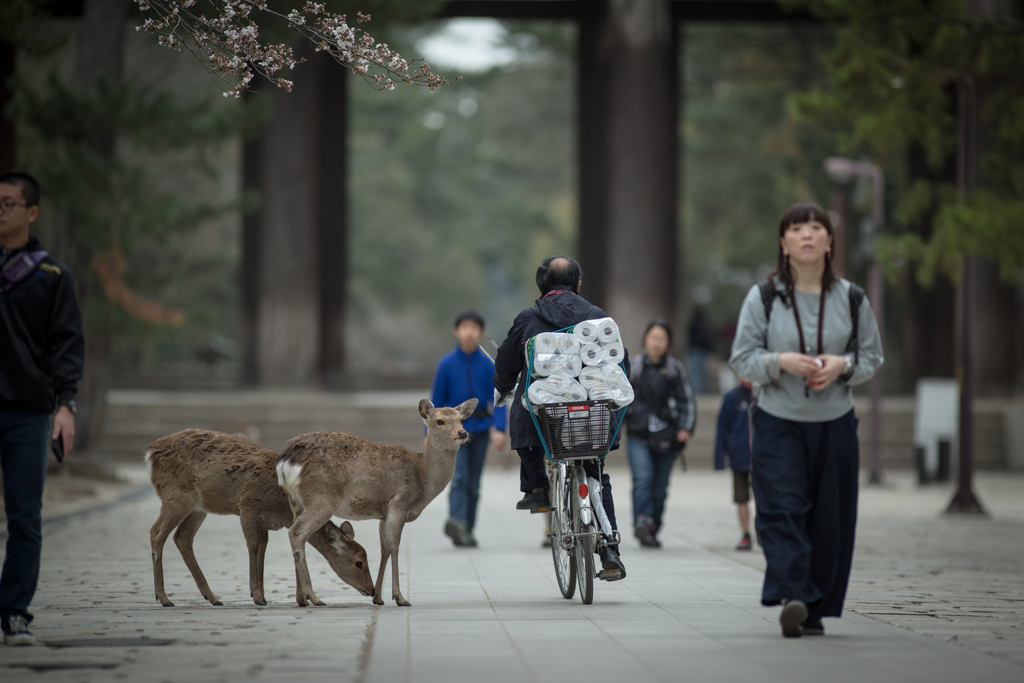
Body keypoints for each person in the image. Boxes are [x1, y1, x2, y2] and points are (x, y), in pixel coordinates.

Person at [729, 202, 883, 638]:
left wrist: (842, 366)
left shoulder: (851, 298)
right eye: (797, 228)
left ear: (830, 241)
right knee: (781, 510)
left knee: (830, 520)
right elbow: (741, 357)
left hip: (836, 422)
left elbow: (872, 357)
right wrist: (781, 362)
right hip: (778, 421)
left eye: (817, 227)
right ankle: (793, 593)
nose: (808, 235)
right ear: (784, 243)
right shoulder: (763, 297)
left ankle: (810, 608)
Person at [493, 255, 627, 579]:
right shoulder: (597, 317)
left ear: (541, 285)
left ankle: (537, 488)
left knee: (526, 414)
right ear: (578, 284)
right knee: (596, 474)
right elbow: (620, 366)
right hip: (587, 418)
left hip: (543, 420)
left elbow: (507, 362)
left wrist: (502, 386)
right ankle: (610, 547)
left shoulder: (527, 319)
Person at [0, 172, 85, 646]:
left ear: (31, 213)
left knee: (25, 518)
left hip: (27, 414)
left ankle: (14, 612)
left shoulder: (51, 275)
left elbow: (66, 346)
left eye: (8, 204)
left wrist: (65, 405)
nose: (0, 211)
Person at [429, 310, 507, 548]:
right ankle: (457, 521)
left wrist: (500, 428)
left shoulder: (489, 364)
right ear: (456, 331)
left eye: (474, 328)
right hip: (452, 435)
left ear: (481, 333)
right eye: (464, 327)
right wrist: (428, 434)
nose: (469, 332)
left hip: (480, 429)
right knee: (459, 477)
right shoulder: (446, 365)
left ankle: (467, 528)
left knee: (474, 482)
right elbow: (436, 401)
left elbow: (499, 398)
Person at [625, 319, 696, 548]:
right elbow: (621, 399)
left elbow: (687, 400)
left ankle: (653, 527)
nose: (657, 343)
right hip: (638, 435)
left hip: (668, 437)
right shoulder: (633, 367)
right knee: (643, 479)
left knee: (660, 488)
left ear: (668, 343)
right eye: (653, 337)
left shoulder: (675, 370)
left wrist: (686, 427)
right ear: (645, 339)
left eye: (662, 339)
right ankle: (642, 521)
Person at [714, 378, 755, 551]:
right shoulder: (732, 397)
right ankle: (746, 533)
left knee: (765, 495)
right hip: (739, 455)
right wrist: (719, 458)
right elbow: (722, 427)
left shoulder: (765, 394)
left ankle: (762, 528)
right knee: (741, 498)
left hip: (763, 456)